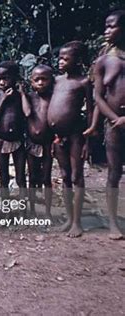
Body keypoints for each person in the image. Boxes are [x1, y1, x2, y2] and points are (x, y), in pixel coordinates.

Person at [47, 41, 94, 238]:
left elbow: (91, 112)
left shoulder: (83, 83)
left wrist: (88, 142)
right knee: (65, 176)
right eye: (60, 58)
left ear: (78, 61)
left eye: (66, 59)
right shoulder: (57, 81)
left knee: (76, 177)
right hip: (58, 137)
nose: (61, 61)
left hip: (76, 135)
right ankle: (68, 218)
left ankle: (77, 222)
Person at [93, 10, 125, 240]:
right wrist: (115, 119)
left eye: (111, 26)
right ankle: (114, 222)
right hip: (114, 125)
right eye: (105, 26)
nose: (106, 31)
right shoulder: (103, 61)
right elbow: (98, 96)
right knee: (114, 172)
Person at [0, 61, 27, 208]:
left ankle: (23, 211)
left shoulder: (20, 96)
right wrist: (4, 100)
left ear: (15, 78)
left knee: (21, 177)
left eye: (5, 78)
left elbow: (27, 113)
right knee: (3, 177)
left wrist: (22, 94)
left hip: (18, 140)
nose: (2, 82)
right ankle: (6, 209)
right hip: (1, 141)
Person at [20, 65, 54, 220]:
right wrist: (22, 94)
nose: (40, 83)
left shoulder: (53, 97)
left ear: (51, 81)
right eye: (37, 80)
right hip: (31, 143)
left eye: (44, 79)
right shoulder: (29, 97)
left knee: (46, 178)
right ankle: (32, 210)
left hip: (48, 144)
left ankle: (47, 212)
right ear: (31, 82)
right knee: (32, 177)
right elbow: (27, 113)